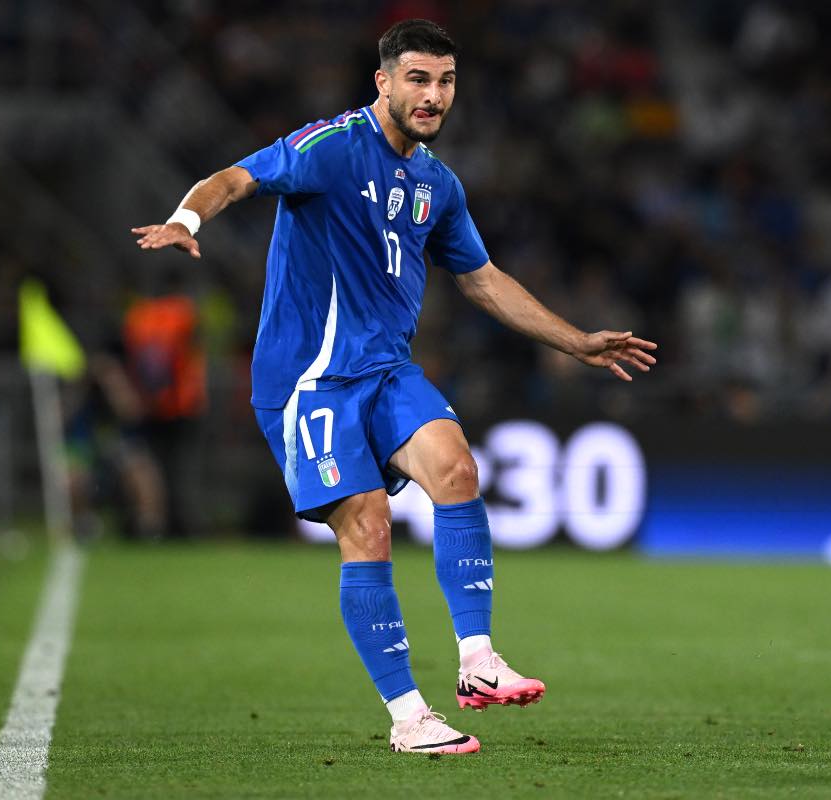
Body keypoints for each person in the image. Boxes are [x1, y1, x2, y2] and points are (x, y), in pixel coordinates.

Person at [131, 19, 657, 755]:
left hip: (385, 371)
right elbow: (236, 178)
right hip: (310, 382)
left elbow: (482, 280)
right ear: (383, 81)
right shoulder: (332, 147)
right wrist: (188, 218)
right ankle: (409, 715)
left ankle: (478, 662)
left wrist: (577, 340)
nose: (433, 95)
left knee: (458, 469)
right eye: (418, 78)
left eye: (444, 81)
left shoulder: (436, 184)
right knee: (369, 524)